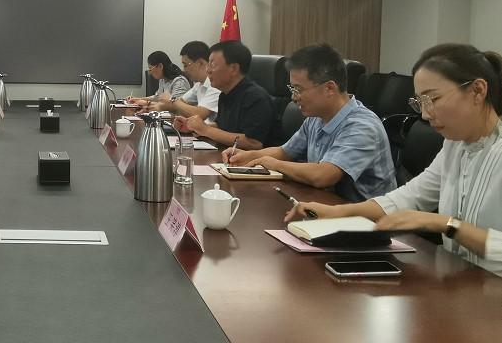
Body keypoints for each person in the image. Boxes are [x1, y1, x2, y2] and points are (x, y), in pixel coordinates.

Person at [286, 44, 502, 276]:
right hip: (461, 280)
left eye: (433, 99)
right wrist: (336, 212)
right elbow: (408, 197)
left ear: (477, 91)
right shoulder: (454, 145)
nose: (425, 114)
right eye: (420, 102)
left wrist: (446, 224)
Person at [224, 44, 396, 202]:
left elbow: (323, 176)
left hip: (366, 219)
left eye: (298, 89)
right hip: (326, 207)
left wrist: (273, 164)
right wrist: (249, 156)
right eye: (292, 88)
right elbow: (284, 152)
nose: (294, 97)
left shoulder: (362, 126)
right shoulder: (316, 118)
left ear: (329, 88)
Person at [173, 40, 274, 150]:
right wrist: (192, 126)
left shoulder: (256, 97)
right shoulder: (225, 94)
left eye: (212, 65)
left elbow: (253, 143)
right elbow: (221, 126)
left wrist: (206, 130)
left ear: (234, 69)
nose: (208, 70)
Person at [149, 41, 220, 123]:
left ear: (200, 63)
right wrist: (154, 106)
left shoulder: (215, 85)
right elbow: (180, 103)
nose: (184, 70)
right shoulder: (198, 85)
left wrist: (172, 100)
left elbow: (200, 114)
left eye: (185, 65)